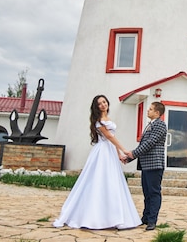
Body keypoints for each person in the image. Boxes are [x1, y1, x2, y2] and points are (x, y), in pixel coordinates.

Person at [53, 95, 141, 230]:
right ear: (96, 107)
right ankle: (94, 216)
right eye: (99, 103)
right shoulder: (99, 122)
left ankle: (115, 215)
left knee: (112, 181)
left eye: (104, 102)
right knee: (99, 180)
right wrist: (124, 149)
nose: (103, 105)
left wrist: (118, 154)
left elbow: (113, 138)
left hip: (110, 151)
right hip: (102, 153)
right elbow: (109, 137)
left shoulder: (108, 119)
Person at [124, 101, 167, 231]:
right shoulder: (149, 125)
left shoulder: (160, 125)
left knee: (154, 193)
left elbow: (150, 143)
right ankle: (146, 218)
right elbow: (142, 145)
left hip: (154, 165)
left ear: (157, 113)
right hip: (146, 165)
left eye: (150, 109)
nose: (148, 111)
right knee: (147, 193)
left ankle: (152, 220)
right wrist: (128, 158)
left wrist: (132, 154)